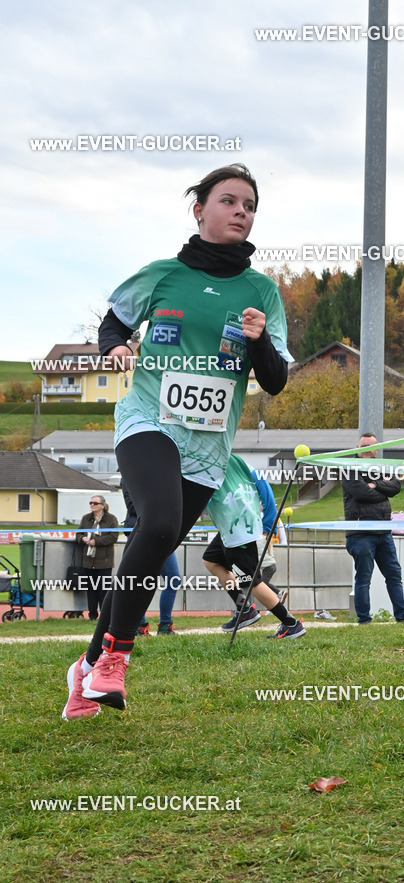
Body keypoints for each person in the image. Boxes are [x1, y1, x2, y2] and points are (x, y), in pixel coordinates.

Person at [62, 164, 293, 721]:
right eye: (230, 201)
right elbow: (113, 325)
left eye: (250, 205)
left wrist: (260, 344)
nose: (242, 211)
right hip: (147, 422)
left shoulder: (261, 291)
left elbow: (276, 380)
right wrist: (115, 349)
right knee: (160, 525)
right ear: (199, 210)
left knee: (153, 547)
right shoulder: (163, 275)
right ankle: (115, 660)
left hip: (209, 446)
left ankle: (85, 669)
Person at [202, 453, 305, 639]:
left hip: (238, 529)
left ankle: (291, 624)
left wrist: (269, 520)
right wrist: (269, 518)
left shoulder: (206, 462)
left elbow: (201, 499)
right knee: (210, 560)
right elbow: (263, 484)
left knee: (252, 583)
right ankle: (243, 608)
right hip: (233, 526)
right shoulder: (235, 459)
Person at [342, 432, 404, 624]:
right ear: (357, 447)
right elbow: (361, 493)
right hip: (360, 534)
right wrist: (382, 490)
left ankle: (403, 617)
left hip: (384, 532)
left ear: (376, 449)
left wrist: (376, 485)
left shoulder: (381, 466)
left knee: (394, 576)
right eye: (363, 446)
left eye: (370, 447)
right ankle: (364, 620)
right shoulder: (349, 468)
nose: (367, 450)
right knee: (364, 579)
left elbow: (396, 486)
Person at [120, 479, 182, 635]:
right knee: (141, 580)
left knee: (173, 578)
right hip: (141, 532)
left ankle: (165, 624)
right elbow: (134, 506)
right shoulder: (129, 476)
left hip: (162, 533)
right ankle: (139, 625)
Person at [77, 495, 119, 620]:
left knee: (103, 590)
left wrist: (96, 541)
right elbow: (78, 533)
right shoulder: (86, 518)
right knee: (91, 589)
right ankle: (92, 615)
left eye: (95, 503)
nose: (92, 505)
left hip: (104, 561)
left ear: (102, 505)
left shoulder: (111, 519)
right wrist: (82, 538)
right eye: (91, 502)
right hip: (88, 560)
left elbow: (113, 537)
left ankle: (105, 616)